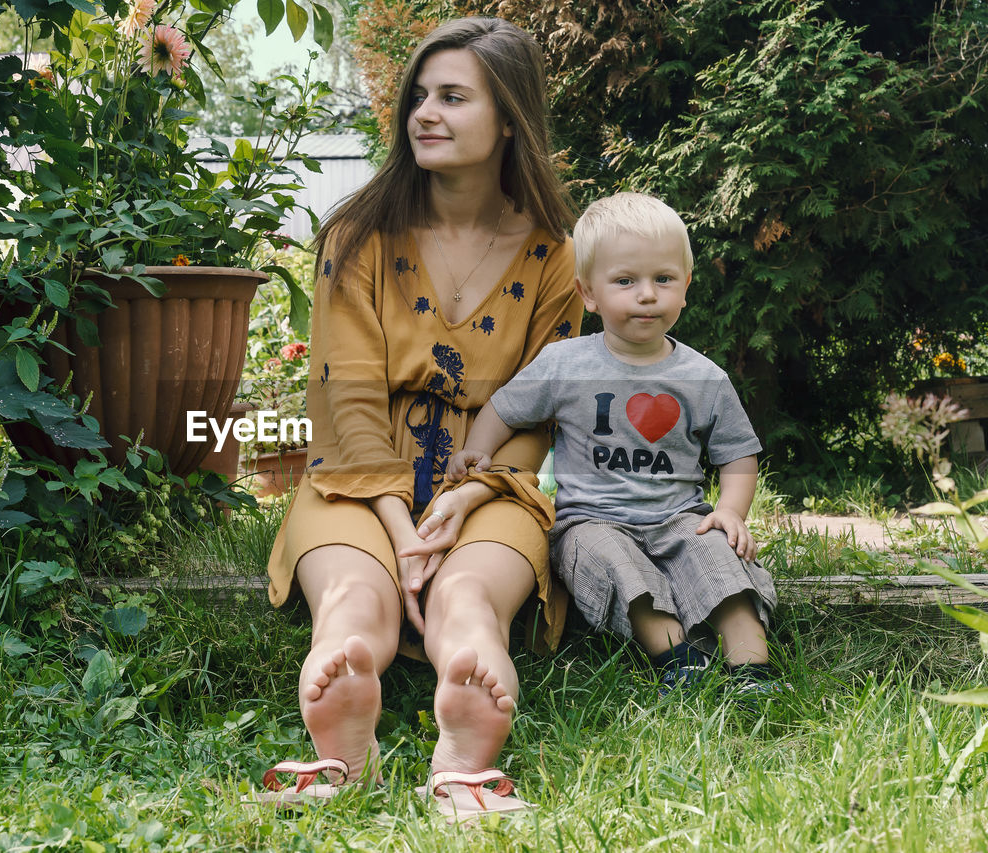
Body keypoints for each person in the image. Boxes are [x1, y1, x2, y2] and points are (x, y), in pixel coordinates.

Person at [259, 17, 583, 814]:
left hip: (491, 484)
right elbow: (348, 395)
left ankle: (464, 732)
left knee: (469, 598)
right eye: (419, 97)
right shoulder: (358, 234)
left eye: (452, 97)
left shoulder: (557, 256)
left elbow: (543, 404)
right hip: (355, 481)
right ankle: (344, 725)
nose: (423, 114)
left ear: (509, 117)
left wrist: (472, 494)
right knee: (351, 601)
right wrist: (402, 527)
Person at [447, 192, 782, 696]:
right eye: (625, 281)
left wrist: (731, 512)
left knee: (717, 559)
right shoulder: (566, 365)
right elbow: (505, 406)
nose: (646, 294)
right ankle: (677, 654)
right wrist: (478, 448)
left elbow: (737, 453)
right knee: (614, 566)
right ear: (588, 293)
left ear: (685, 287)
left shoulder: (702, 377)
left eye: (663, 279)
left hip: (680, 516)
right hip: (592, 520)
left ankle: (752, 667)